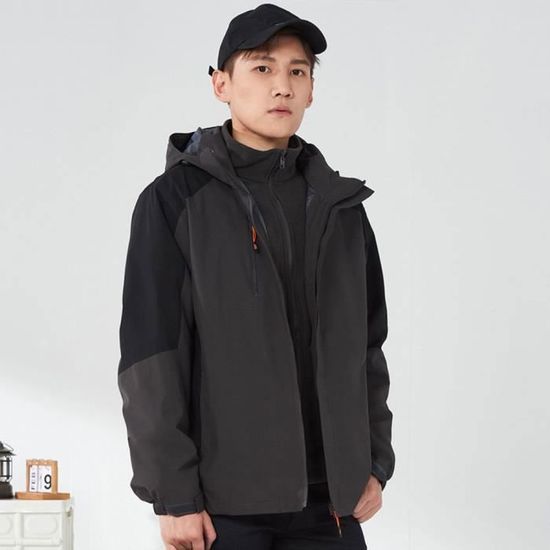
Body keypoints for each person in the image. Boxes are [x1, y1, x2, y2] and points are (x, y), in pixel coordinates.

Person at [117, 3, 395, 549]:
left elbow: (367, 347)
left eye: (298, 71)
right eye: (262, 68)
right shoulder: (175, 201)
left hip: (331, 503)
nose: (282, 86)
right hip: (226, 505)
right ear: (221, 84)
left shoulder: (342, 208)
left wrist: (375, 463)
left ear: (311, 90)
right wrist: (173, 496)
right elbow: (151, 357)